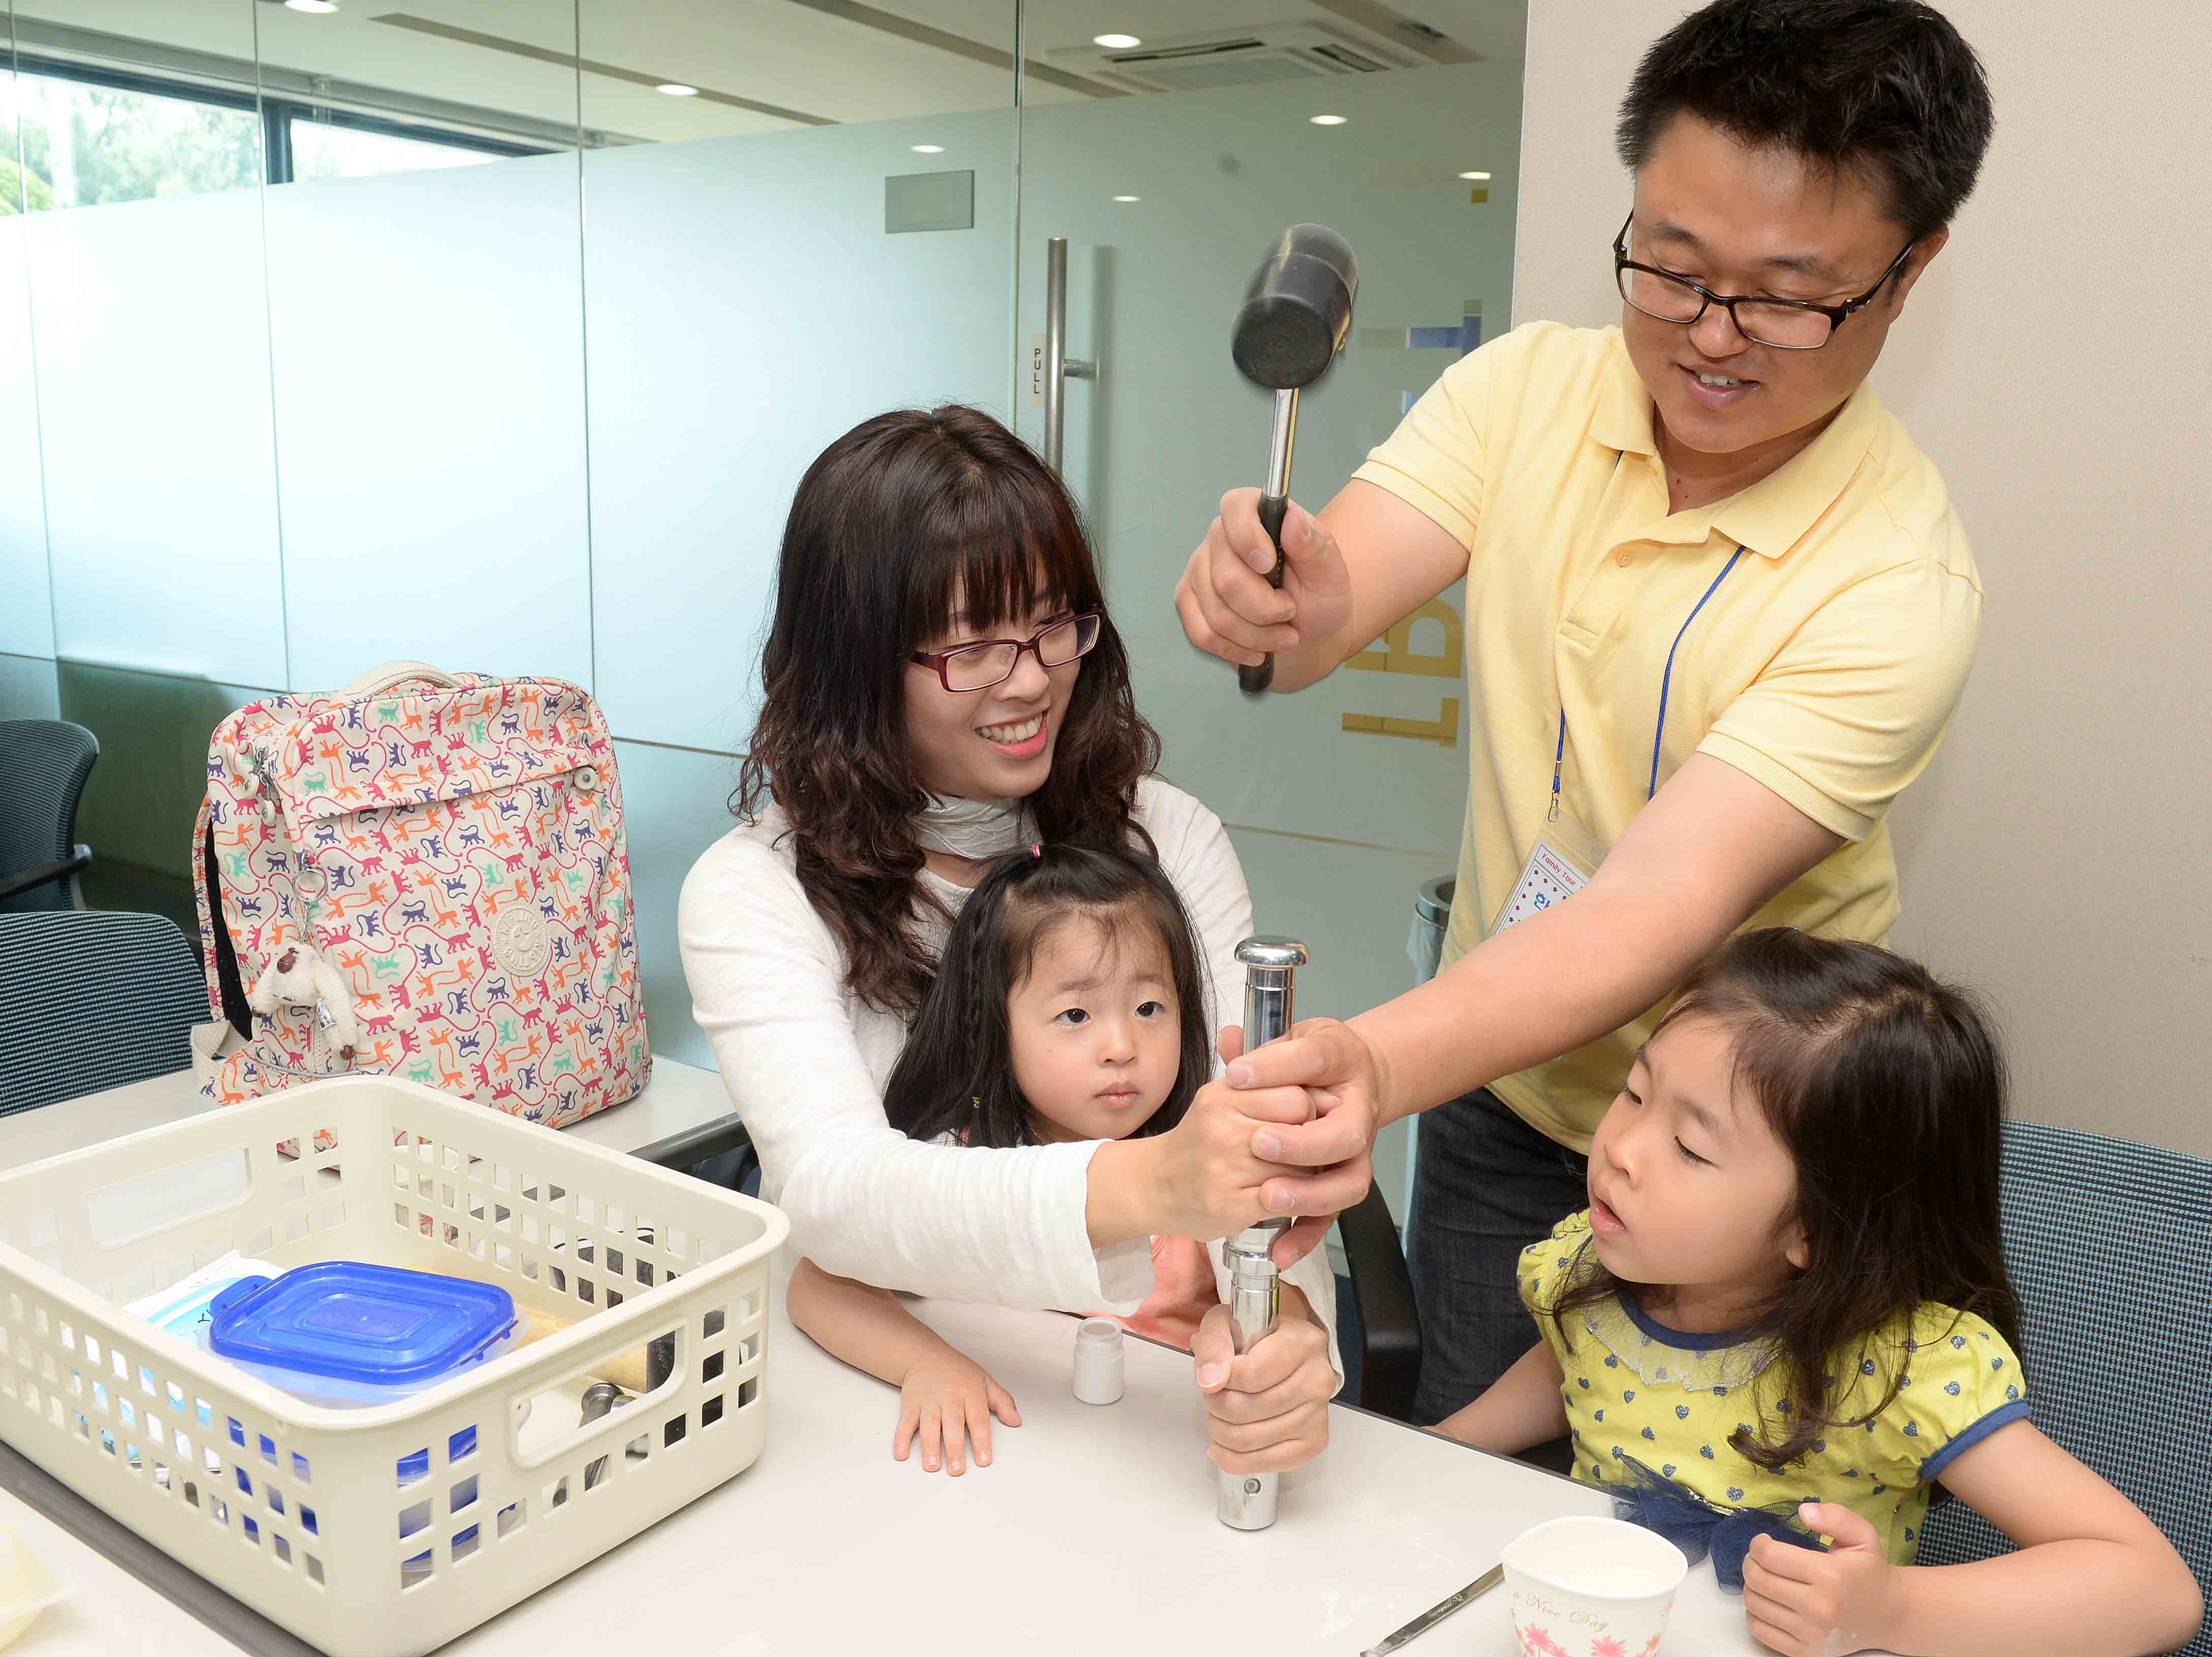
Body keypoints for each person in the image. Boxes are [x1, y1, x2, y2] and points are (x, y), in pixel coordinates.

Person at [1174, 0, 1998, 1422]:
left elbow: (1640, 918)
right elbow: (1322, 613)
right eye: (1667, 268)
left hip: (1753, 1165)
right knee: (1459, 1479)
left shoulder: (1893, 586)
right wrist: (1271, 596)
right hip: (1508, 1095)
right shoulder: (1524, 393)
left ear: (1908, 267)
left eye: (1786, 294)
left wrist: (1372, 1062)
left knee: (1685, 1535)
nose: (1710, 337)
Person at [679, 405, 1348, 1477]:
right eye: (973, 647)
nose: (1033, 678)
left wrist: (1286, 1331)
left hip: (1138, 1420)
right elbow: (838, 1198)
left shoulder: (1167, 839)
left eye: (1054, 626)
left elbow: (1253, 1147)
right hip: (898, 1416)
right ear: (854, 663)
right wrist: (1160, 1184)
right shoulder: (757, 890)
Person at [1436, 930, 2202, 1657]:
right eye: (1635, 1095)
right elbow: (1576, 1363)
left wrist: (1891, 1608)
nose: (1621, 1149)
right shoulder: (1598, 1274)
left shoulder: (1897, 1370)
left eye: (1690, 1148)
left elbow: (2158, 1595)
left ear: (1817, 1229)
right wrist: (1437, 1452)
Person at [786, 842, 1341, 1474]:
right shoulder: (962, 1164)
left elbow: (1286, 1312)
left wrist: (1268, 1347)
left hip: (1161, 1466)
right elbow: (821, 1281)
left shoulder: (1209, 1167)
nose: (1121, 1045)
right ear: (994, 1025)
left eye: (1149, 1008)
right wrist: (925, 1362)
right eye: (1075, 1013)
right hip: (1018, 1470)